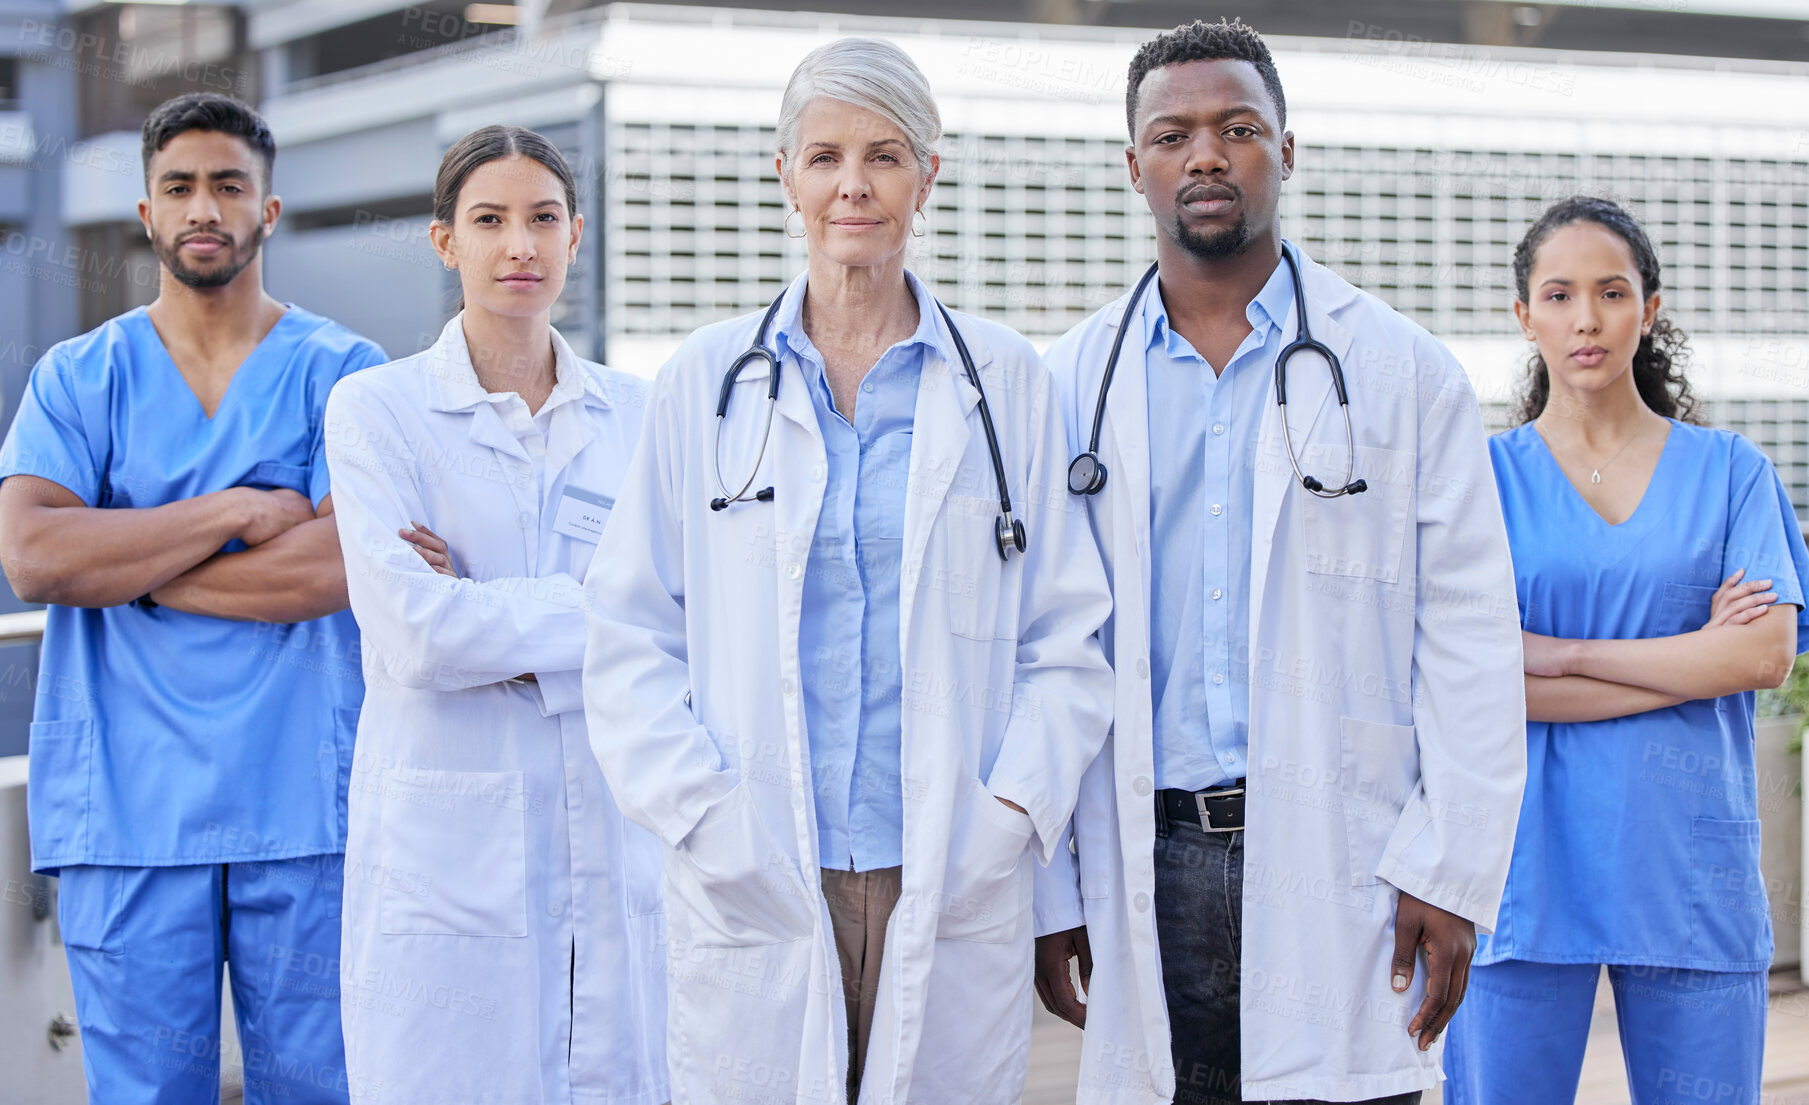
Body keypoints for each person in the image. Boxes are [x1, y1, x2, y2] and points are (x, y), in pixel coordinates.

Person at [581, 37, 1113, 1105]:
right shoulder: (703, 385)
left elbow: (1068, 639)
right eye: (824, 156)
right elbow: (629, 633)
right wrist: (707, 817)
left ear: (929, 174)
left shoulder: (1007, 382)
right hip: (762, 867)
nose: (853, 185)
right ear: (785, 175)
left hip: (948, 863)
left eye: (884, 154)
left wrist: (1006, 815)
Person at [1032, 19, 1527, 1105]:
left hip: (1337, 851)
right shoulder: (1063, 385)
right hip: (1142, 856)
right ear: (1134, 167)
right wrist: (1046, 882)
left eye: (1238, 128)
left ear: (1287, 152)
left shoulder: (1402, 372)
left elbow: (1471, 640)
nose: (1205, 155)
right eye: (1173, 134)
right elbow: (1042, 651)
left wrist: (1451, 868)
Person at [0, 92, 384, 1104]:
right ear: (146, 213)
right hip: (130, 814)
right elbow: (37, 559)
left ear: (270, 209)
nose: (202, 207)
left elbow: (329, 571)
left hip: (303, 807)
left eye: (227, 185)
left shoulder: (345, 375)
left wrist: (125, 557)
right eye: (179, 187)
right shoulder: (80, 376)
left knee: (322, 1090)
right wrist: (237, 508)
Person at [323, 125, 668, 1105]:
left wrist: (487, 608)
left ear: (576, 235)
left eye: (543, 219)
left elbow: (681, 620)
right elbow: (416, 637)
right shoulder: (377, 410)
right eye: (489, 220)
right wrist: (599, 618)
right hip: (446, 858)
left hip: (614, 835)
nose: (519, 245)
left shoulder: (640, 417)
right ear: (446, 242)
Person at [1441, 196, 1807, 1103]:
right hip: (1518, 877)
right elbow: (1465, 683)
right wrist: (1689, 656)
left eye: (1610, 292)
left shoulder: (1730, 473)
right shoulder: (1481, 481)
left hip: (1688, 873)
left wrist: (1556, 655)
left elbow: (1761, 656)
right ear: (1523, 317)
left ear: (1648, 307)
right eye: (1557, 295)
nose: (1585, 318)